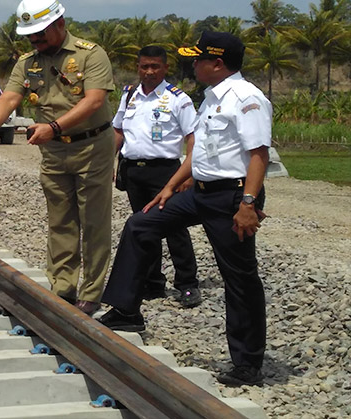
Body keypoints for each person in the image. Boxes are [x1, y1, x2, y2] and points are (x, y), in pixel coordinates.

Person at [99, 31, 271, 387]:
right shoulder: (209, 98)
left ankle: (247, 362)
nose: (193, 64)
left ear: (217, 63)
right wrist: (170, 187)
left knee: (239, 278)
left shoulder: (246, 98)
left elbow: (259, 155)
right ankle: (126, 310)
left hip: (233, 197)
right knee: (140, 224)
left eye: (199, 59)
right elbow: (200, 155)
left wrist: (249, 204)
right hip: (200, 192)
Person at [0, 0, 114, 316]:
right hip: (54, 151)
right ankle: (64, 286)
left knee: (94, 222)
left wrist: (54, 127)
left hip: (91, 147)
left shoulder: (89, 54)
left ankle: (92, 291)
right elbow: (10, 96)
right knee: (61, 221)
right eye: (30, 35)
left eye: (39, 33)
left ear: (59, 23)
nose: (35, 40)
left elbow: (94, 101)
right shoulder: (29, 61)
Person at [113, 45, 201, 308]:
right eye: (144, 66)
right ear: (138, 67)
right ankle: (152, 282)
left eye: (155, 67)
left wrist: (189, 172)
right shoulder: (129, 95)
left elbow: (193, 138)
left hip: (166, 172)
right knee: (142, 227)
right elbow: (118, 130)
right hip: (134, 170)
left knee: (174, 228)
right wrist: (109, 162)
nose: (149, 72)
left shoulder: (178, 99)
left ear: (165, 68)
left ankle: (187, 284)